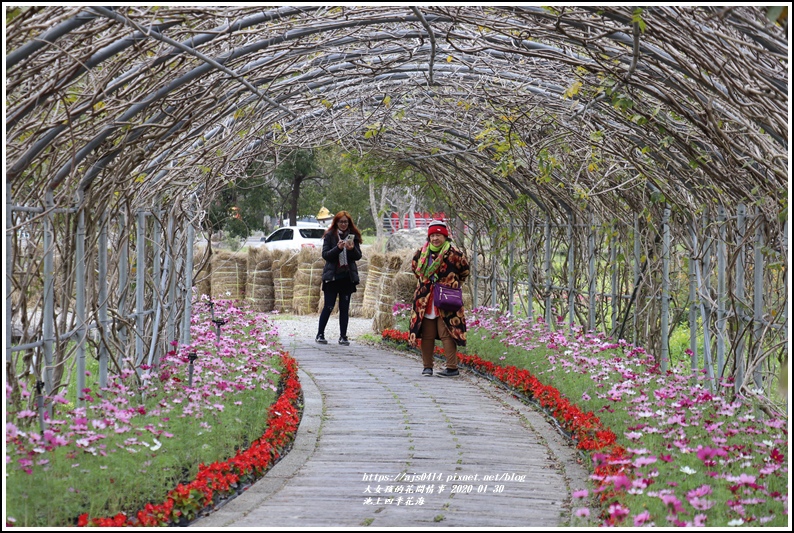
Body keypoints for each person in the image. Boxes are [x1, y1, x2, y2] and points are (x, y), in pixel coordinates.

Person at [408, 220, 469, 377]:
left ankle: (452, 367)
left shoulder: (455, 255)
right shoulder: (420, 254)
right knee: (427, 334)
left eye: (439, 235)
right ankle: (427, 366)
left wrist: (450, 284)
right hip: (425, 300)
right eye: (433, 235)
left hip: (447, 299)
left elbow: (464, 272)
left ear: (445, 237)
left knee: (447, 333)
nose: (435, 238)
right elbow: (416, 271)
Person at [316, 211, 363, 345]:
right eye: (341, 222)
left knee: (344, 306)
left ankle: (343, 336)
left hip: (347, 277)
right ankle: (320, 334)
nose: (343, 224)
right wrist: (337, 248)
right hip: (332, 276)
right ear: (336, 222)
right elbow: (325, 255)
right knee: (329, 305)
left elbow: (358, 256)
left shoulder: (352, 236)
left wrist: (351, 249)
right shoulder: (330, 236)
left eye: (346, 222)